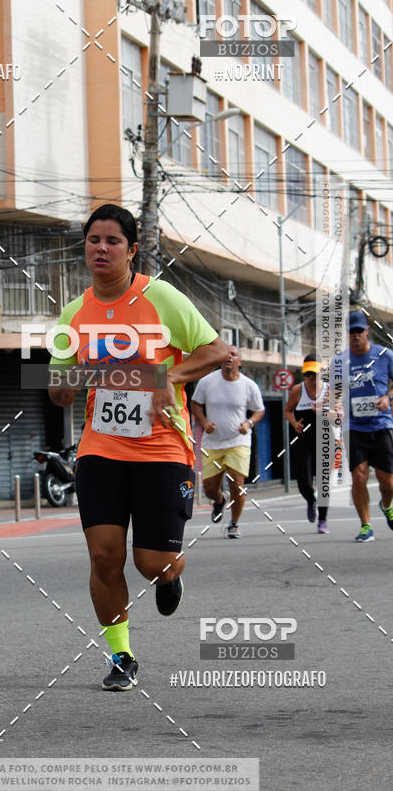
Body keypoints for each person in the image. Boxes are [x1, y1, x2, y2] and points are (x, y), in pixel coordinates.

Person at [48, 204, 226, 691]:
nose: (100, 249)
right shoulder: (74, 313)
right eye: (93, 240)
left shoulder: (162, 298)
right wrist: (65, 382)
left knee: (153, 563)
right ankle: (122, 654)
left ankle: (169, 578)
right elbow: (58, 387)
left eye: (112, 241)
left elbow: (217, 352)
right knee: (104, 556)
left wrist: (169, 377)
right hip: (100, 450)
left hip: (162, 448)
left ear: (131, 249)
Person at [190, 346, 265, 539]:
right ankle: (219, 501)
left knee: (236, 483)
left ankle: (234, 523)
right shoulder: (207, 382)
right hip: (212, 443)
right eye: (226, 354)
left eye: (233, 354)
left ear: (239, 361)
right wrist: (204, 422)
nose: (229, 357)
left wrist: (248, 423)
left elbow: (259, 410)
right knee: (209, 489)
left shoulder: (249, 385)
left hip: (238, 441)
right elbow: (195, 404)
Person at [331, 311, 393, 542]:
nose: (356, 335)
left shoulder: (385, 356)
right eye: (351, 331)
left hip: (381, 423)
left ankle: (387, 506)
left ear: (367, 331)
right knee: (359, 476)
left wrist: (388, 398)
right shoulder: (340, 361)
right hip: (353, 426)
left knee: (388, 482)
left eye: (359, 330)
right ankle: (366, 526)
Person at [285, 354, 330, 533]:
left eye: (315, 373)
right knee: (304, 482)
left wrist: (324, 411)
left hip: (324, 439)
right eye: (308, 373)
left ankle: (323, 520)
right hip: (303, 439)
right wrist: (294, 423)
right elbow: (288, 411)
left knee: (323, 481)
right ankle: (311, 501)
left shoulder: (329, 391)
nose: (311, 377)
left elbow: (339, 416)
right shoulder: (297, 390)